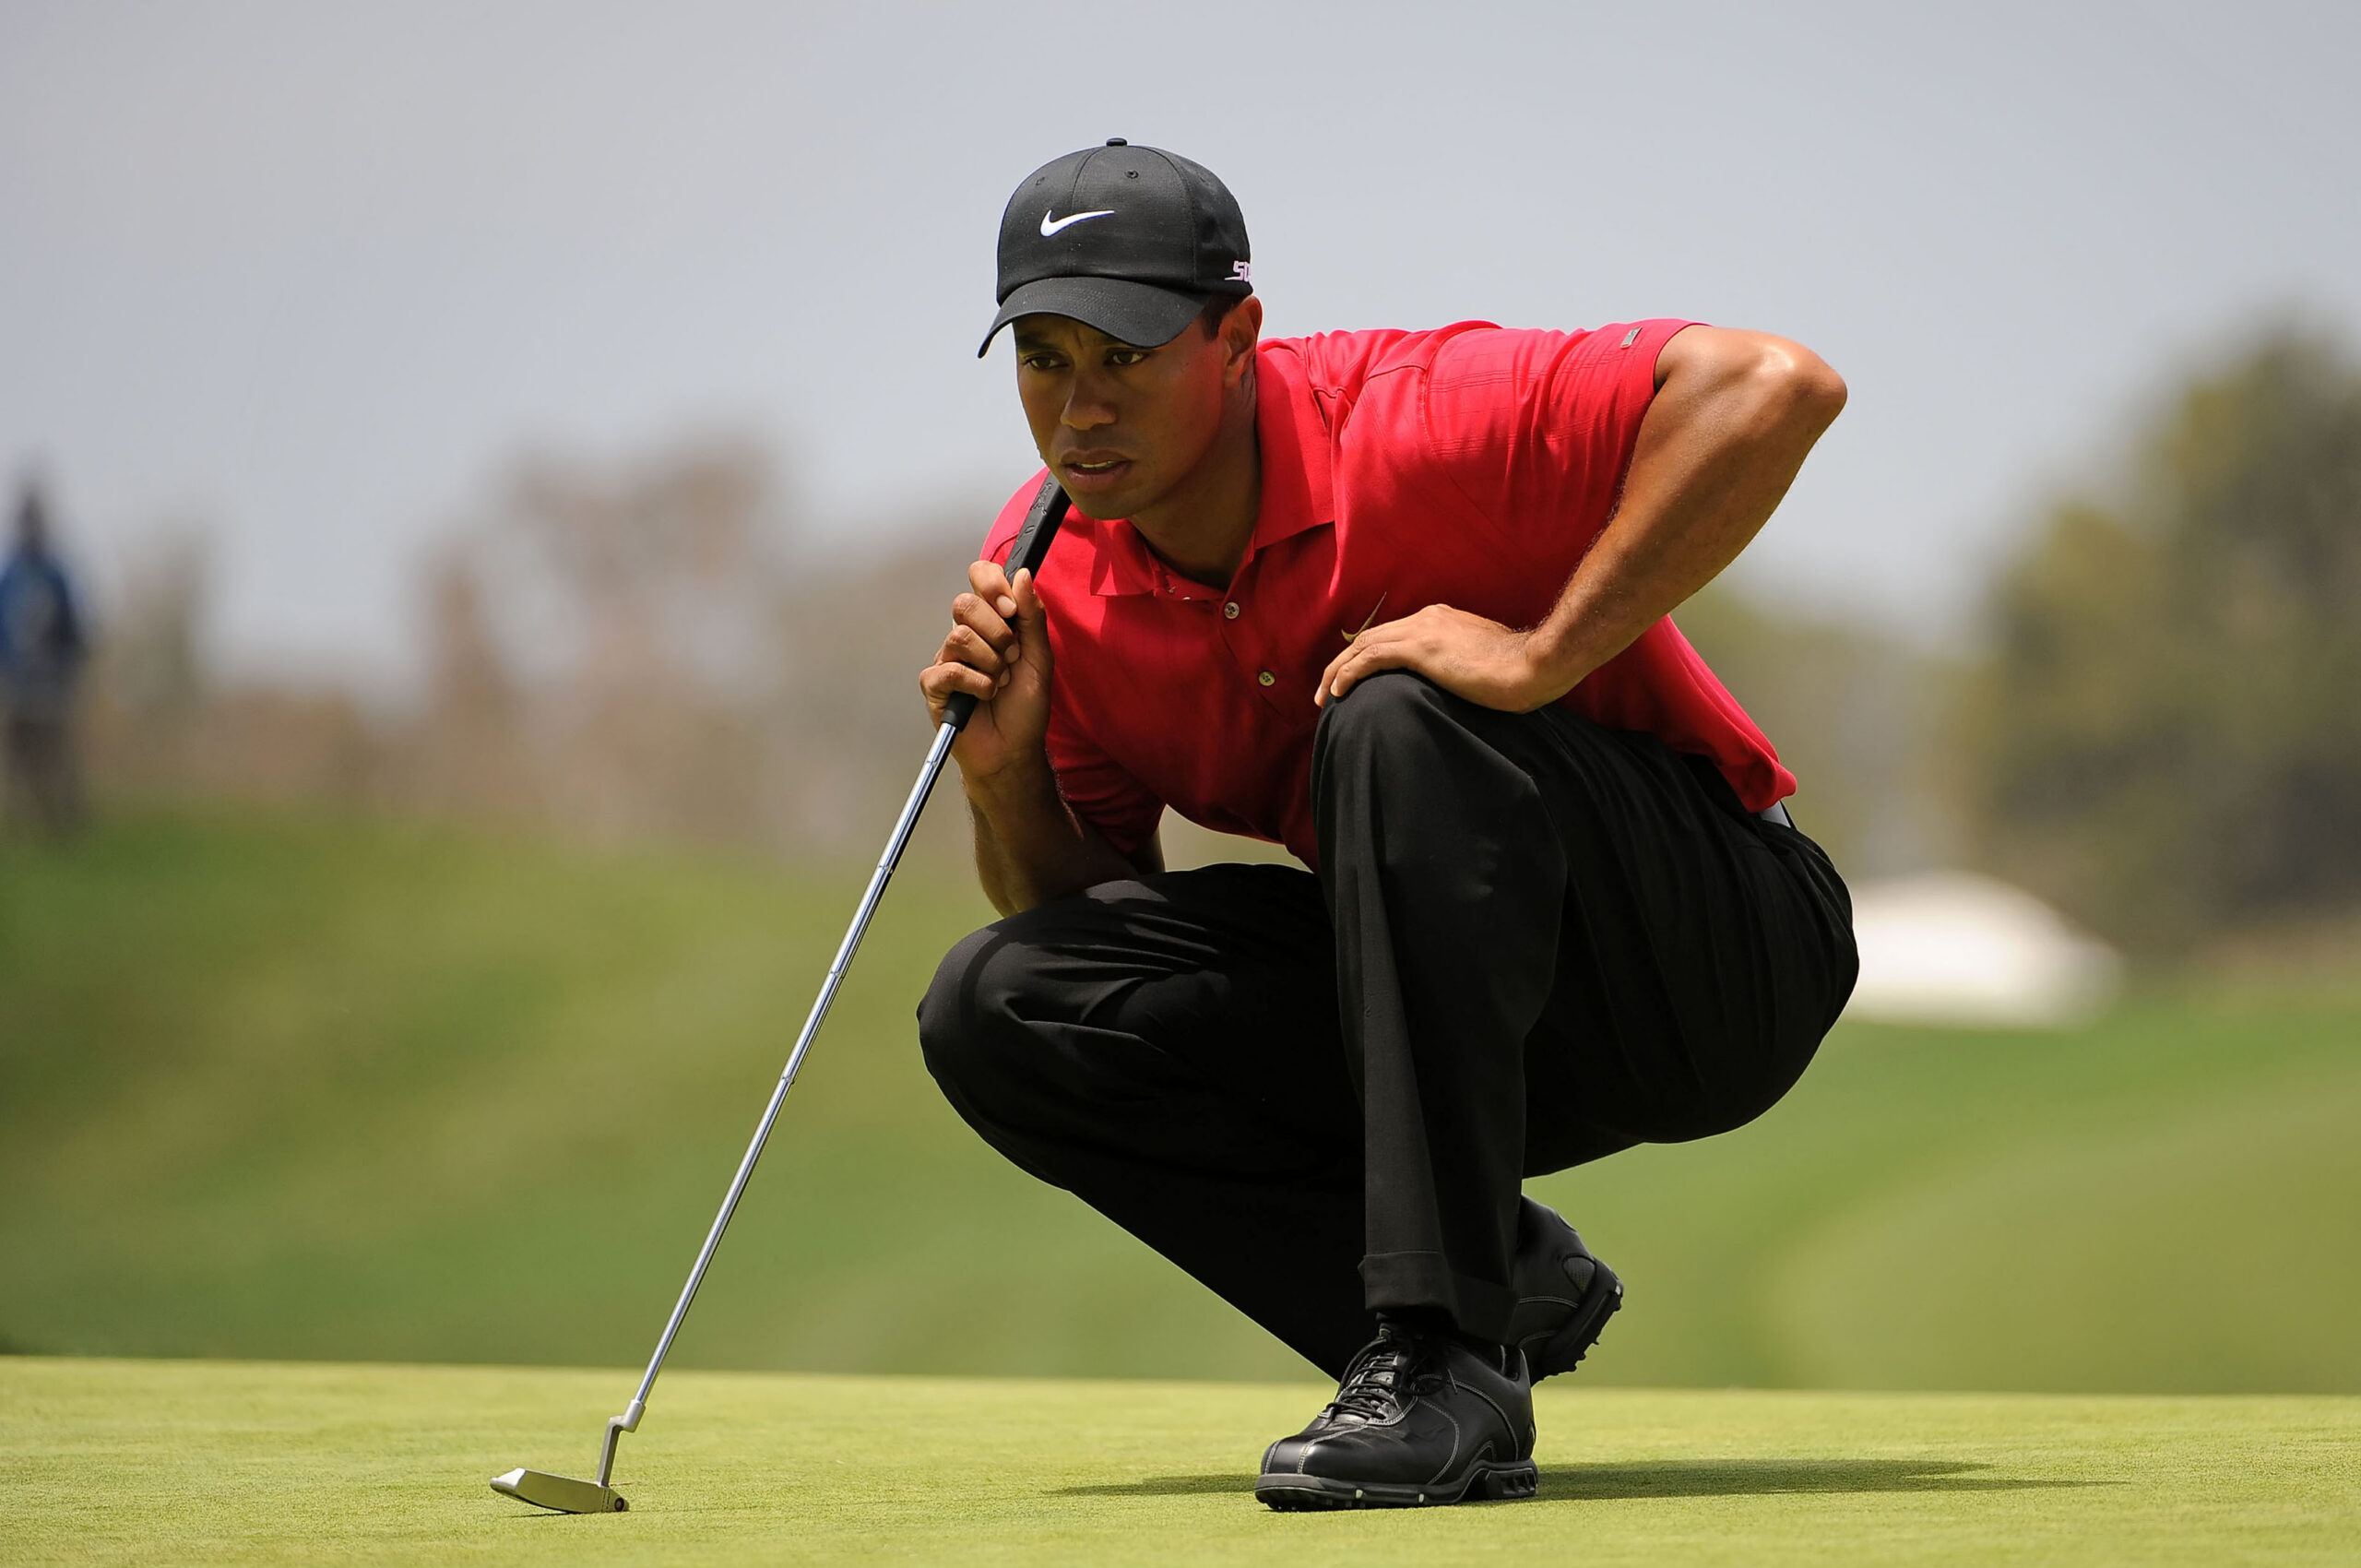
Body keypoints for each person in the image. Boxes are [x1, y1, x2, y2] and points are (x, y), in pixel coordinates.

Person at [916, 141, 1857, 1510]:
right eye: (1044, 358)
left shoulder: (1411, 417)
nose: (1080, 408)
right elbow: (1102, 929)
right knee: (999, 1005)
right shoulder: (1049, 571)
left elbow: (1778, 388)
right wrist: (1008, 778)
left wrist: (1538, 652)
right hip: (1456, 1024)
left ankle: (1437, 1344)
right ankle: (1490, 1307)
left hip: (1709, 964)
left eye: (1124, 353)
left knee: (1397, 714)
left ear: (1237, 337)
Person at [0, 481, 89, 833]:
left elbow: (76, 629)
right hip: (18, 685)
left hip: (52, 685)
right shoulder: (11, 574)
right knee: (18, 756)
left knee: (56, 755)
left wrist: (71, 671)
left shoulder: (55, 574)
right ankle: (24, 823)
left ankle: (65, 823)